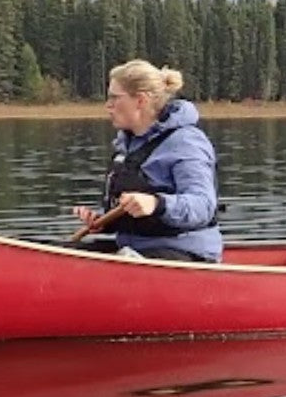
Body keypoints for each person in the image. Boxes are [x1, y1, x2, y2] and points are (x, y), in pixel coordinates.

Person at [73, 60, 222, 262]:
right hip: (135, 250)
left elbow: (203, 205)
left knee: (123, 260)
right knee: (64, 250)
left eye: (115, 98)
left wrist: (157, 204)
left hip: (184, 254)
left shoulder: (186, 143)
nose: (108, 105)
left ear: (140, 100)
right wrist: (103, 221)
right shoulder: (126, 145)